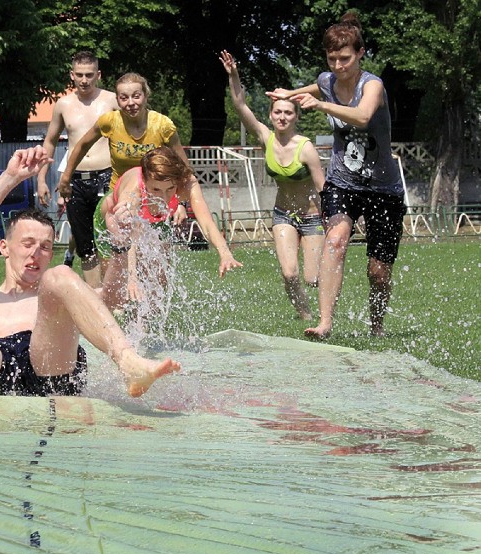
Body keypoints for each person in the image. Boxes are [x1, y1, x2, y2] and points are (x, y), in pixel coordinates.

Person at [0, 146, 181, 398]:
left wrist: (120, 247)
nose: (37, 252)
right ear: (4, 247)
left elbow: (113, 298)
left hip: (50, 366)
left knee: (60, 276)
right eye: (27, 243)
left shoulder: (58, 294)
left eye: (46, 246)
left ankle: (128, 362)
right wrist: (10, 178)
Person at [267, 12, 406, 338]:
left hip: (383, 187)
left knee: (378, 272)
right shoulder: (328, 80)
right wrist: (289, 93)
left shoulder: (372, 85)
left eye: (345, 58)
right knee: (335, 239)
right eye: (332, 59)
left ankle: (377, 326)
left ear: (360, 54)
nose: (339, 66)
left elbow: (361, 116)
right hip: (342, 180)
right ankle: (325, 322)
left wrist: (321, 105)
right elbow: (320, 84)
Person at [58, 72, 241, 279]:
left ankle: (149, 305)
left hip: (157, 198)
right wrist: (66, 177)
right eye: (123, 98)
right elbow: (82, 144)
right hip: (121, 197)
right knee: (118, 276)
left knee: (158, 275)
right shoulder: (110, 122)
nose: (130, 103)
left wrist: (181, 203)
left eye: (136, 96)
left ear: (145, 96)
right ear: (117, 100)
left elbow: (183, 169)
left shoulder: (162, 125)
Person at [220, 50, 326, 320]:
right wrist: (234, 75)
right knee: (289, 273)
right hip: (283, 214)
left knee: (312, 278)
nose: (282, 117)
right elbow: (240, 105)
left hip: (312, 216)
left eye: (288, 112)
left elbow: (324, 187)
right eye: (277, 112)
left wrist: (334, 221)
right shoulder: (265, 138)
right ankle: (304, 315)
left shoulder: (306, 148)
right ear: (270, 116)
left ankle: (327, 305)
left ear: (296, 117)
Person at [37, 51, 118, 287]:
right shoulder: (63, 104)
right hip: (75, 181)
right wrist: (41, 179)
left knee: (111, 240)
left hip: (107, 176)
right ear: (72, 75)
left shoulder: (112, 100)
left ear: (98, 75)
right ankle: (95, 297)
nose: (84, 80)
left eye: (89, 75)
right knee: (85, 246)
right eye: (80, 75)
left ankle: (115, 295)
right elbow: (50, 141)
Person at [96, 147, 193, 309]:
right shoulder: (135, 195)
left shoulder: (173, 184)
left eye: (169, 190)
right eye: (156, 190)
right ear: (146, 184)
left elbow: (203, 214)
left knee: (159, 275)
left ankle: (142, 322)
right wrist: (132, 277)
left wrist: (223, 251)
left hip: (137, 221)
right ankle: (96, 308)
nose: (164, 197)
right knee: (115, 287)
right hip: (112, 219)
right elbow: (131, 237)